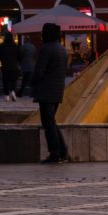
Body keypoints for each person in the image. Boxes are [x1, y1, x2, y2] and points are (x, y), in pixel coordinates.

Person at [31, 23, 69, 165]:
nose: (41, 35)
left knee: (48, 123)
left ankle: (55, 153)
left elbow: (39, 71)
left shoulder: (46, 49)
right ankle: (63, 151)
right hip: (57, 90)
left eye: (43, 32)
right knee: (51, 121)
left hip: (46, 90)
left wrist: (32, 83)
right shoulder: (61, 49)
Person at [0, 29, 20, 101]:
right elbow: (20, 56)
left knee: (5, 81)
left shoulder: (1, 46)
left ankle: (6, 95)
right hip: (14, 66)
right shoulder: (15, 46)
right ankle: (13, 91)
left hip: (5, 67)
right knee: (13, 80)